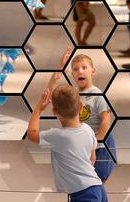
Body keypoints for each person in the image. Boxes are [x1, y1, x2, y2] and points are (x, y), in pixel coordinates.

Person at [47, 48, 116, 182]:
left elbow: (106, 120)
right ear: (72, 75)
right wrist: (56, 75)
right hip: (82, 147)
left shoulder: (97, 95)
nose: (80, 71)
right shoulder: (73, 95)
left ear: (93, 71)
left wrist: (95, 143)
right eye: (76, 69)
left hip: (100, 148)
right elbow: (50, 97)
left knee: (97, 183)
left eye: (84, 67)